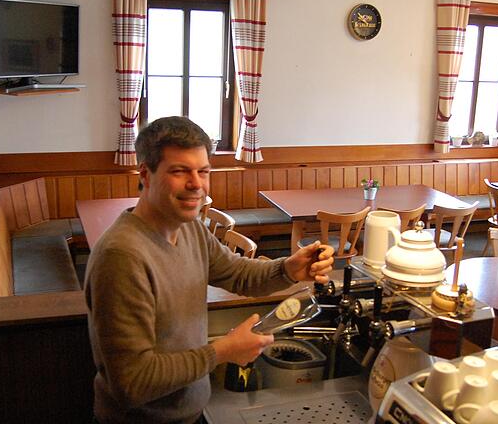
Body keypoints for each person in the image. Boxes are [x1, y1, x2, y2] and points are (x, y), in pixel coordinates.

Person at [84, 116, 335, 424]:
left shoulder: (190, 229)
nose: (196, 184)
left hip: (189, 412)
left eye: (203, 172)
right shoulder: (122, 256)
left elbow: (239, 273)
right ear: (145, 175)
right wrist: (223, 351)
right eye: (179, 171)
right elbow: (132, 383)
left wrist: (289, 269)